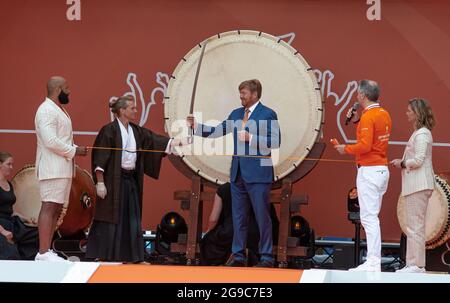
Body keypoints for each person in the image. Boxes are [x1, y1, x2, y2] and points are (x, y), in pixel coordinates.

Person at [187, 79, 281, 267]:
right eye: (240, 93)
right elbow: (217, 131)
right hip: (238, 174)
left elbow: (275, 141)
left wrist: (251, 137)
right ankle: (238, 255)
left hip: (258, 174)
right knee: (238, 217)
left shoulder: (268, 114)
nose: (241, 97)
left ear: (254, 94)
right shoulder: (236, 114)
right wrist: (196, 127)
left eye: (244, 93)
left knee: (263, 217)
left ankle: (267, 257)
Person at [86, 95, 188, 263]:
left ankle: (133, 256)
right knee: (110, 217)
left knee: (132, 218)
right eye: (132, 108)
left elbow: (152, 139)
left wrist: (173, 142)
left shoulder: (136, 130)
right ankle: (106, 255)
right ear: (122, 110)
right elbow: (100, 157)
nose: (135, 110)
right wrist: (101, 183)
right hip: (112, 182)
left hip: (129, 180)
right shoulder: (109, 130)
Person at [334, 80, 392, 272]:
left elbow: (365, 146)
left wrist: (346, 149)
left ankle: (373, 261)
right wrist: (358, 120)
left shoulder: (370, 117)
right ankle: (373, 260)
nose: (356, 96)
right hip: (381, 169)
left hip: (370, 170)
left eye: (358, 94)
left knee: (368, 217)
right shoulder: (383, 113)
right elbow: (373, 139)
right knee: (371, 216)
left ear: (362, 95)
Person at [34, 76, 88, 261]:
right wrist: (74, 150)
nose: (70, 91)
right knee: (49, 207)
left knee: (56, 209)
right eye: (67, 87)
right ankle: (42, 253)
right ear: (58, 89)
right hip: (51, 168)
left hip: (61, 168)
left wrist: (72, 151)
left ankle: (47, 251)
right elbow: (50, 140)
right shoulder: (46, 110)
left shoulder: (59, 109)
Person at [390, 98, 435, 274]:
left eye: (409, 110)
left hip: (418, 184)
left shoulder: (423, 134)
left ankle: (416, 265)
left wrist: (401, 163)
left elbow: (418, 160)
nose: (406, 113)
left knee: (415, 226)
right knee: (412, 225)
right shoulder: (419, 132)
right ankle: (412, 264)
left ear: (417, 113)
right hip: (415, 184)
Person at [200, 182, 279, 266]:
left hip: (230, 232)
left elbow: (213, 219)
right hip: (257, 235)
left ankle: (227, 260)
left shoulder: (224, 188)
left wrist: (208, 232)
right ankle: (250, 256)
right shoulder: (260, 188)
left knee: (209, 241)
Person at [0, 152, 39, 260]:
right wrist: (3, 232)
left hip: (11, 223)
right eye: (9, 164)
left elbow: (10, 211)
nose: (11, 167)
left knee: (36, 234)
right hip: (1, 227)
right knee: (10, 254)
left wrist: (26, 219)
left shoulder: (9, 184)